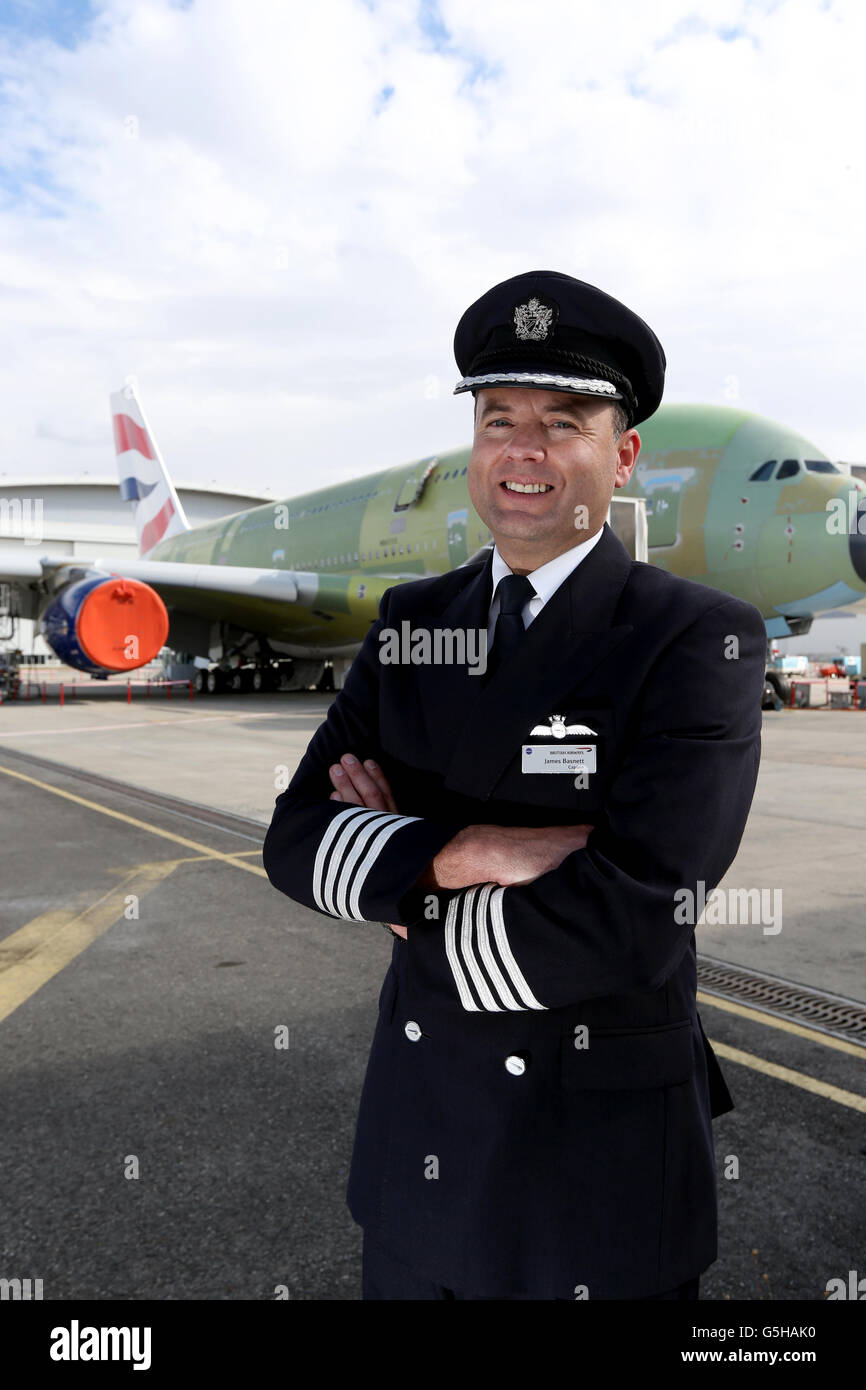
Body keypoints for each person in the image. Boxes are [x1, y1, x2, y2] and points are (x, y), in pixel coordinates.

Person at [263, 270, 766, 1300]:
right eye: (498, 418)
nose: (522, 448)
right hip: (417, 1158)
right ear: (473, 449)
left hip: (593, 1178)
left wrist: (399, 873)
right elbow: (290, 839)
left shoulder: (693, 636)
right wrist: (465, 852)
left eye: (562, 419)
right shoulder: (411, 619)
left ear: (620, 455)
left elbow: (632, 917)